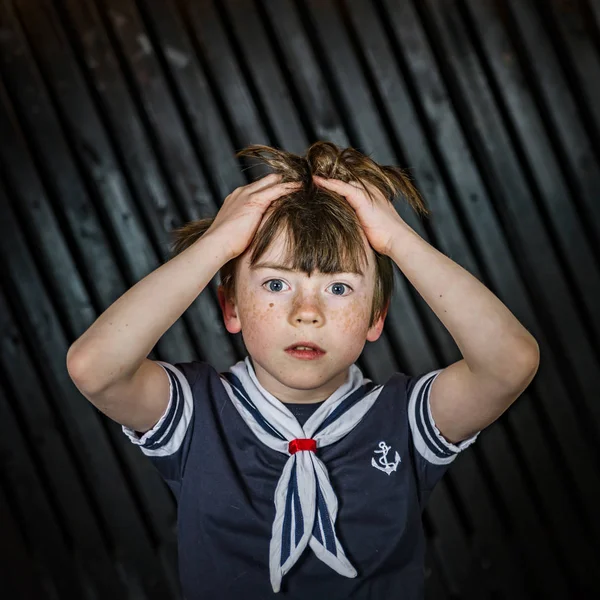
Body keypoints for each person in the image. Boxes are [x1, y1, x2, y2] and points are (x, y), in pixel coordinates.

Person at [66, 142, 540, 599]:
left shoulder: (406, 420)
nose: (306, 311)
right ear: (230, 307)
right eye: (276, 282)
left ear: (376, 317)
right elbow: (95, 368)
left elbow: (509, 363)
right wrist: (218, 244)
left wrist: (397, 240)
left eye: (338, 288)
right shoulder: (194, 413)